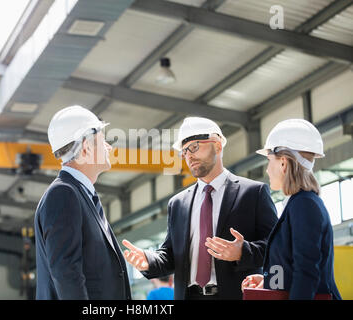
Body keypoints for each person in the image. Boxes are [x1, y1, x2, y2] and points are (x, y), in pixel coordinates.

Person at [122, 117, 278, 300]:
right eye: (184, 151)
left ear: (218, 145)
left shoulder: (253, 193)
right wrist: (148, 260)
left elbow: (277, 247)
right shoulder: (178, 203)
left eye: (195, 147)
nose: (189, 156)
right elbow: (170, 255)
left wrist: (243, 251)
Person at [34, 105, 131, 300]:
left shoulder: (80, 195)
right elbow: (67, 274)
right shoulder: (63, 194)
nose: (109, 147)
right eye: (103, 141)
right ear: (86, 147)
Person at [241, 119, 342, 300]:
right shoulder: (299, 203)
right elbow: (294, 267)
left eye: (269, 161)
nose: (267, 170)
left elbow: (306, 272)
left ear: (283, 163)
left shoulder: (304, 205)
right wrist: (269, 280)